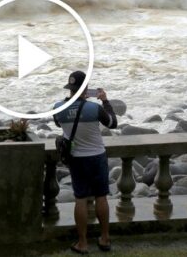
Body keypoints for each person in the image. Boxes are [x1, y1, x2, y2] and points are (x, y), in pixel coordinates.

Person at [53, 70, 118, 254]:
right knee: (101, 197)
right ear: (86, 89)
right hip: (97, 156)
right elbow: (113, 123)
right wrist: (104, 100)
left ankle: (82, 243)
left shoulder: (58, 107)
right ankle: (105, 239)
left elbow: (59, 124)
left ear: (70, 88)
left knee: (80, 199)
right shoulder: (95, 109)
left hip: (76, 159)